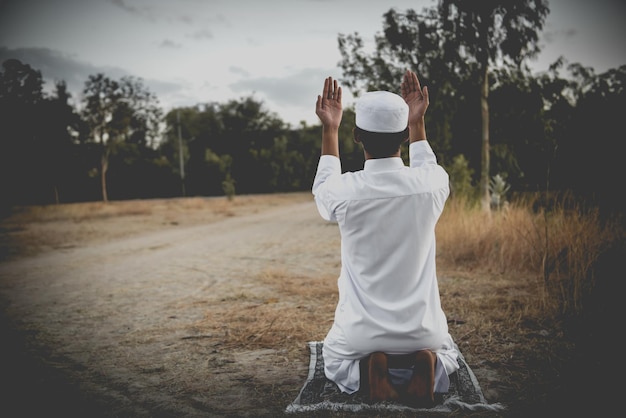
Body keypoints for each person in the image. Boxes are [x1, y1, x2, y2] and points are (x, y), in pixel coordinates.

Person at [312, 70, 459, 407]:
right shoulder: (432, 184)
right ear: (404, 135)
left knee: (334, 357)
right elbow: (426, 167)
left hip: (362, 335)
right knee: (446, 349)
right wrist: (418, 122)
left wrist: (329, 127)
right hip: (424, 332)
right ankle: (427, 362)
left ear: (357, 136)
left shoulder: (345, 192)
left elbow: (323, 189)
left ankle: (369, 370)